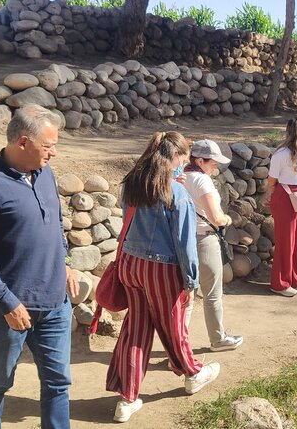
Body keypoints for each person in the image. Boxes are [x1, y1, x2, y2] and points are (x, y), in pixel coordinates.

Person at [0, 104, 79, 429]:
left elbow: (55, 224)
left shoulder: (45, 174)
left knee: (58, 382)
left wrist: (63, 262)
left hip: (55, 304)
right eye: (48, 145)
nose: (54, 153)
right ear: (23, 142)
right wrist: (7, 302)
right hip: (8, 310)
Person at [105, 131, 220, 423]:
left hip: (130, 264)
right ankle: (193, 372)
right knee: (173, 325)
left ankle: (126, 398)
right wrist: (191, 281)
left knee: (136, 330)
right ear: (176, 158)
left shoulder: (133, 183)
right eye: (183, 159)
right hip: (161, 268)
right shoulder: (176, 193)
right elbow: (184, 243)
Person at [183, 139, 243, 351]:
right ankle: (218, 339)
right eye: (213, 161)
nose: (216, 165)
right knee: (212, 294)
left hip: (183, 241)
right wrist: (226, 219)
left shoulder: (180, 177)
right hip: (205, 240)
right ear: (200, 161)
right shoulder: (202, 181)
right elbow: (216, 218)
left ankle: (180, 344)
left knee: (187, 296)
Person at [266, 116, 297, 297]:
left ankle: (296, 279)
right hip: (285, 196)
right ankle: (280, 283)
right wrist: (274, 194)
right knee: (286, 241)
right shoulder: (281, 154)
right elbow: (272, 180)